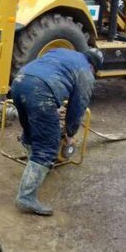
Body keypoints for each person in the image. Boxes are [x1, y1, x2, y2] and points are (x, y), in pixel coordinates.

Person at [11, 48, 103, 216]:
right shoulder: (86, 72)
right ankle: (26, 196)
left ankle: (36, 167)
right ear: (94, 67)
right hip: (40, 91)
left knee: (31, 131)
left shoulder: (63, 52)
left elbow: (47, 68)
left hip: (19, 81)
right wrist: (69, 134)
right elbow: (78, 107)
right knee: (47, 146)